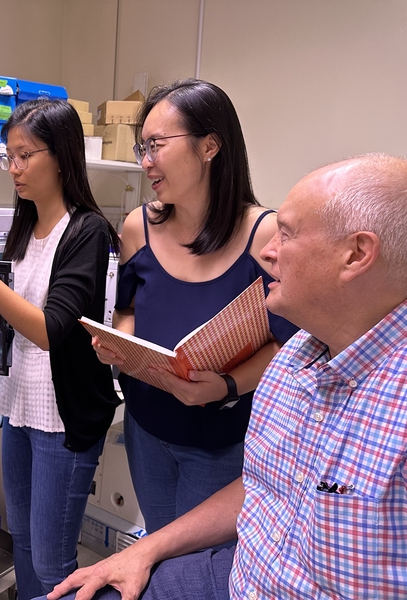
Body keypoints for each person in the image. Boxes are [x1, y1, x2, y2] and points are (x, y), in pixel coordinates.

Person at [44, 153, 407, 600]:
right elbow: (264, 486)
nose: (269, 252)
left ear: (356, 254)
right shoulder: (294, 361)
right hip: (240, 574)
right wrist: (146, 549)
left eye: (287, 234)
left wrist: (227, 385)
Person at [0, 99, 121, 598]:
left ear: (60, 156)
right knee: (22, 540)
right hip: (19, 404)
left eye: (24, 155)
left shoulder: (86, 230)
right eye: (8, 157)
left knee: (53, 558)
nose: (13, 168)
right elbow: (12, 315)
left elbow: (49, 330)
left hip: (63, 416)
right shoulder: (25, 226)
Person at [94, 79, 298, 534]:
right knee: (158, 543)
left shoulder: (265, 236)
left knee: (197, 562)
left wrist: (226, 386)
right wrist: (121, 344)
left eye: (157, 145)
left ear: (210, 146)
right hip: (146, 426)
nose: (146, 162)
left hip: (220, 438)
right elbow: (127, 311)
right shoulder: (138, 227)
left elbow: (288, 344)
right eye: (142, 148)